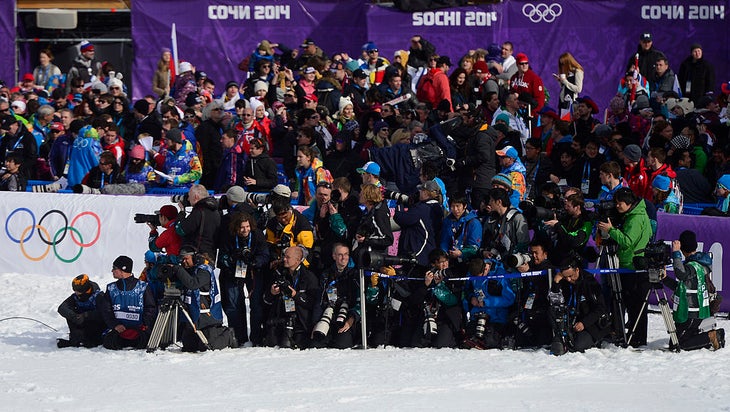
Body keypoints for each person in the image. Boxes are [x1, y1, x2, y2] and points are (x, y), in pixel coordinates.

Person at [596, 187, 651, 347]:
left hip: (633, 267)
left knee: (635, 305)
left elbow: (627, 241)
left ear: (628, 203)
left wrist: (611, 230)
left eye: (619, 203)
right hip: (630, 265)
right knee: (634, 305)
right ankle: (633, 335)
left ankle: (636, 337)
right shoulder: (635, 214)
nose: (617, 206)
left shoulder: (635, 219)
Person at [163, 246, 236, 351]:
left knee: (208, 346)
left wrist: (178, 269)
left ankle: (228, 335)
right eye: (182, 259)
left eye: (186, 259)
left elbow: (193, 284)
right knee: (189, 347)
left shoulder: (204, 270)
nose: (184, 262)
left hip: (208, 317)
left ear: (193, 257)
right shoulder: (189, 269)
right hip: (193, 316)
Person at [664, 231, 725, 350]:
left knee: (678, 345)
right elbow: (683, 288)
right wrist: (665, 279)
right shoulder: (700, 263)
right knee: (675, 342)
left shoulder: (694, 266)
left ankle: (711, 336)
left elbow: (681, 273)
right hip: (697, 310)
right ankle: (704, 337)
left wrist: (675, 253)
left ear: (682, 247)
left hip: (691, 312)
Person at [549, 255, 611, 355]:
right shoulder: (564, 282)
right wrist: (556, 283)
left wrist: (584, 323)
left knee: (578, 346)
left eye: (570, 276)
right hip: (569, 323)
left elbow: (601, 308)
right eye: (565, 277)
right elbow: (555, 302)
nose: (568, 279)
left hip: (589, 325)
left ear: (577, 270)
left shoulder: (589, 282)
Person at [263, 246, 321, 349]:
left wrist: (295, 295)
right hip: (280, 320)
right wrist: (272, 292)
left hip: (301, 323)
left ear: (298, 260)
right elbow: (266, 300)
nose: (284, 259)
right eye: (284, 256)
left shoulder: (309, 277)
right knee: (271, 343)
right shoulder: (279, 274)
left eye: (288, 257)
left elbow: (313, 302)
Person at [99, 256, 158, 350]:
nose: (112, 271)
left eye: (114, 268)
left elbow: (150, 308)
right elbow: (106, 310)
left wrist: (143, 324)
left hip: (139, 333)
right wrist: (115, 325)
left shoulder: (143, 286)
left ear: (123, 269)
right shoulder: (111, 288)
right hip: (118, 334)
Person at [408, 249, 464, 348]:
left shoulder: (453, 273)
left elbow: (454, 301)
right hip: (428, 315)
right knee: (416, 344)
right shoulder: (426, 275)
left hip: (446, 317)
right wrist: (426, 285)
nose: (445, 264)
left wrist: (439, 286)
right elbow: (415, 300)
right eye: (441, 262)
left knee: (441, 345)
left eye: (446, 261)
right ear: (433, 264)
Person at [312, 243, 361, 349]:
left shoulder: (355, 275)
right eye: (340, 255)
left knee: (341, 345)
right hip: (329, 314)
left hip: (347, 316)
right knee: (316, 344)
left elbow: (360, 300)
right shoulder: (326, 275)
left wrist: (352, 319)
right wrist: (316, 323)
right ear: (334, 256)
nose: (344, 258)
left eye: (346, 254)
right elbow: (319, 300)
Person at [462, 258, 516, 349]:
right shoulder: (473, 271)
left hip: (496, 317)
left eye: (480, 276)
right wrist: (471, 298)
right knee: (468, 338)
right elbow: (467, 291)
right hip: (477, 315)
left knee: (490, 342)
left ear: (486, 269)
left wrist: (487, 302)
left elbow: (509, 299)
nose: (478, 279)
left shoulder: (500, 274)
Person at [392, 180, 443, 268]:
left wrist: (400, 204)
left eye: (421, 190)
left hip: (418, 253)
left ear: (426, 193)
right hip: (428, 251)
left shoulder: (422, 209)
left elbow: (401, 218)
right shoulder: (437, 208)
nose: (419, 192)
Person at [514, 240, 554, 348]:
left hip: (543, 313)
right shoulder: (531, 265)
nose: (534, 256)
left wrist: (528, 272)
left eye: (537, 253)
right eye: (532, 253)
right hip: (529, 309)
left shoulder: (549, 267)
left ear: (545, 254)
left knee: (542, 342)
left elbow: (544, 284)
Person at [56, 274, 106, 348]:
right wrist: (74, 317)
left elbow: (104, 313)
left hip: (97, 327)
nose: (76, 292)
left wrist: (85, 315)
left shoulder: (99, 296)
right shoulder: (75, 297)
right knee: (70, 312)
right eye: (74, 290)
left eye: (78, 290)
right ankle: (77, 338)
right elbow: (62, 308)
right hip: (81, 323)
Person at [174, 184, 221, 257]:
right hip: (210, 254)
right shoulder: (215, 211)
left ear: (196, 197)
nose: (188, 199)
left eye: (189, 196)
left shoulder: (199, 211)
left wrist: (182, 211)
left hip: (198, 255)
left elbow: (181, 230)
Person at [440, 194, 482, 270]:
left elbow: (475, 247)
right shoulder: (447, 221)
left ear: (465, 206)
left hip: (467, 262)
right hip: (451, 260)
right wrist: (444, 254)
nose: (455, 209)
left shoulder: (474, 222)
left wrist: (461, 252)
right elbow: (444, 240)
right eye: (452, 206)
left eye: (458, 206)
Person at [354, 183, 394, 253]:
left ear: (368, 196)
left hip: (375, 255)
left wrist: (366, 239)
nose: (359, 195)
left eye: (362, 193)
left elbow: (387, 239)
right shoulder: (370, 211)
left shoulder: (378, 213)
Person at [0, 114, 38, 178]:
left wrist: (16, 170)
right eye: (5, 129)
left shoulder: (27, 137)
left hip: (23, 174)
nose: (6, 131)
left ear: (16, 124)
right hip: (6, 172)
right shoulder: (5, 139)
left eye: (8, 128)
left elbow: (32, 158)